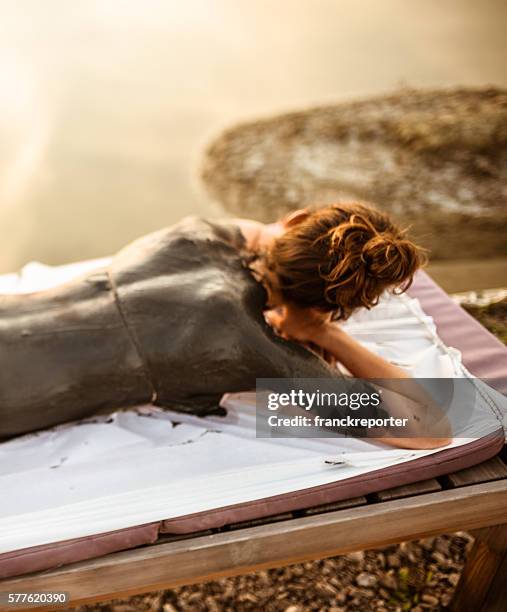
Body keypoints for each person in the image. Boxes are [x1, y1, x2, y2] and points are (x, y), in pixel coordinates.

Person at [233, 202, 451, 449]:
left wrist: (320, 331)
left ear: (296, 220)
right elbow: (432, 431)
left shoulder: (235, 236)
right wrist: (323, 333)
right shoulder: (263, 341)